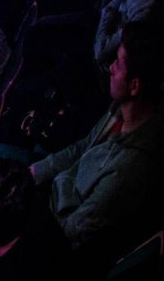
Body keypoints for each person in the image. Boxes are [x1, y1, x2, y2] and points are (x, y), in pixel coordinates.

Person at [30, 22, 164, 264]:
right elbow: (83, 147)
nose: (111, 67)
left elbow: (75, 231)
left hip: (57, 235)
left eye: (119, 63)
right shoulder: (120, 110)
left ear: (135, 86)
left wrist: (31, 220)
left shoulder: (130, 167)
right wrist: (37, 172)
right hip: (54, 194)